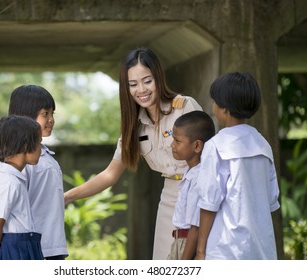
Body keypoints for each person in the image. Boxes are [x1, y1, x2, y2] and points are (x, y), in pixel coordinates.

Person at [64, 47, 203, 260]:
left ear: (158, 77)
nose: (141, 90)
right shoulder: (134, 126)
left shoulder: (184, 107)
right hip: (170, 198)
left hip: (200, 194)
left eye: (147, 81)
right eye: (133, 84)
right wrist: (67, 197)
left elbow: (210, 158)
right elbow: (110, 174)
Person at [195, 72, 281, 260]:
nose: (213, 106)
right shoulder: (263, 145)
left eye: (215, 101)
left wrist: (200, 251)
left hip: (225, 250)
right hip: (261, 250)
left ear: (224, 109)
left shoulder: (215, 146)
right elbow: (272, 201)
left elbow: (209, 203)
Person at [8, 85, 68, 260]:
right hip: (35, 250)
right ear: (25, 116)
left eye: (52, 114)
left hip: (52, 247)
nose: (51, 119)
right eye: (45, 114)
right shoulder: (21, 160)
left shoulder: (45, 155)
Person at [0, 115, 43, 260]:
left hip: (25, 246)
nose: (41, 149)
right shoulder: (9, 182)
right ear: (25, 146)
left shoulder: (15, 179)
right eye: (39, 143)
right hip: (16, 251)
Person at [167, 111, 215, 260]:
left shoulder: (200, 177)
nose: (172, 145)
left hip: (188, 244)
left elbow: (195, 228)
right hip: (179, 241)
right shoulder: (191, 172)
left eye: (177, 141)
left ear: (197, 146)